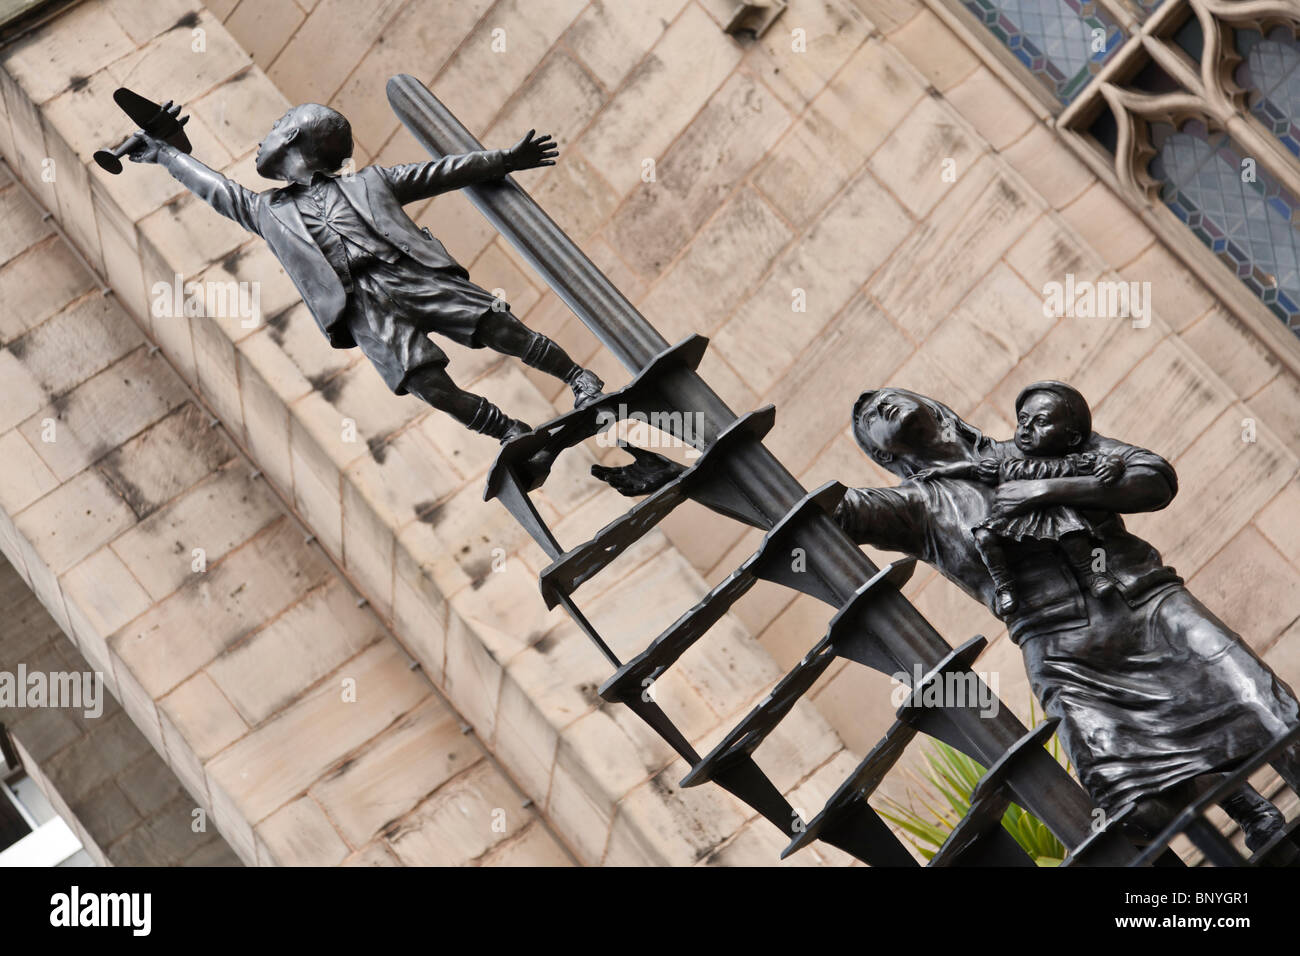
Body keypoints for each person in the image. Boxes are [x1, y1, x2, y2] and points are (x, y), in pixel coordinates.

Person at [834, 384, 1300, 850]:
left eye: (884, 399)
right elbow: (838, 513)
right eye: (868, 418)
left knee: (1273, 713)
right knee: (1135, 807)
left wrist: (1046, 488)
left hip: (1146, 603)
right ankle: (1242, 805)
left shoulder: (1039, 436)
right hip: (1065, 654)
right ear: (880, 451)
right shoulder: (912, 508)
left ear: (930, 405)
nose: (876, 407)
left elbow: (1154, 478)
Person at [126, 102, 603, 442]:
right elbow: (219, 191)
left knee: (500, 327)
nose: (262, 136)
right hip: (360, 307)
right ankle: (508, 432)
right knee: (425, 383)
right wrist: (166, 153)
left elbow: (440, 172)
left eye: (274, 126)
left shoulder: (370, 182)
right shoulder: (267, 211)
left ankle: (579, 377)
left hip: (411, 274)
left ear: (292, 137)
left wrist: (505, 159)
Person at [914, 383, 1123, 617]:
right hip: (1019, 517)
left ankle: (1095, 574)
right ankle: (1003, 585)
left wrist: (1111, 466)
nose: (1025, 429)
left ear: (1072, 437)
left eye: (1040, 423)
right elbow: (974, 469)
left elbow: (1105, 461)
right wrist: (941, 472)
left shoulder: (1072, 462)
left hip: (1056, 514)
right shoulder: (1013, 465)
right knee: (983, 537)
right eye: (1023, 420)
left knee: (1075, 536)